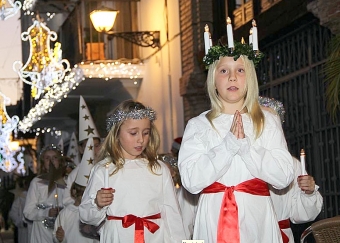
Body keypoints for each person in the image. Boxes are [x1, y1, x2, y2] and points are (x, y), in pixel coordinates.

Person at [178, 39, 295, 242]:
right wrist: (227, 146)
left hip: (257, 217)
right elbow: (191, 181)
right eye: (224, 71)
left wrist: (246, 148)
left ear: (250, 78)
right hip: (214, 217)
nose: (232, 77)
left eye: (240, 70)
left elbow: (283, 176)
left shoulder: (267, 121)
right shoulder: (198, 125)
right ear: (213, 79)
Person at [79, 100, 187, 242]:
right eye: (133, 133)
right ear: (117, 133)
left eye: (146, 133)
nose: (141, 139)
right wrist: (97, 203)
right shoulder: (103, 170)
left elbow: (172, 213)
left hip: (154, 237)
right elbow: (86, 216)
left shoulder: (158, 169)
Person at [259, 96, 323, 243]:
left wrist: (309, 192)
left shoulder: (292, 165)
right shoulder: (238, 159)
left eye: (271, 121)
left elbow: (301, 214)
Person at [23, 145, 66, 243]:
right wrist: (46, 212)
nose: (51, 161)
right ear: (43, 162)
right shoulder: (37, 182)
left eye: (54, 158)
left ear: (59, 161)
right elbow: (27, 212)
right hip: (42, 233)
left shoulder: (66, 181)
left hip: (62, 230)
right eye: (47, 158)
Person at [9, 176, 33, 243]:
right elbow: (13, 213)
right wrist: (21, 222)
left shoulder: (37, 196)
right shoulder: (21, 198)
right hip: (24, 230)